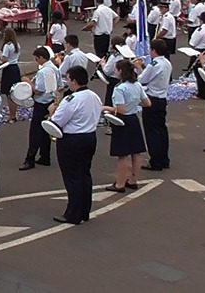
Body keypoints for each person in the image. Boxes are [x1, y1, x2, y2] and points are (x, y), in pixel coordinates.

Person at [49, 66, 100, 225]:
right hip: (90, 137)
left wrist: (52, 111)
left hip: (72, 140)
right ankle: (84, 210)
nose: (67, 83)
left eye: (69, 79)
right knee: (84, 174)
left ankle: (73, 213)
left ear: (75, 81)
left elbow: (57, 122)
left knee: (72, 177)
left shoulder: (71, 99)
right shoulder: (94, 96)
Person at [103, 60, 150, 192]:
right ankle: (133, 180)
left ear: (121, 71)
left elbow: (121, 109)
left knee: (122, 154)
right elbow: (147, 103)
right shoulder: (137, 85)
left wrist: (107, 108)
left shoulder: (120, 88)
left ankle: (120, 183)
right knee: (136, 151)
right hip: (134, 119)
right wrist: (134, 104)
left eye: (116, 70)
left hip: (122, 121)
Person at [20, 47, 61, 171]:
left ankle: (29, 160)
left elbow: (39, 91)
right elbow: (59, 85)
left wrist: (28, 82)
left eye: (37, 59)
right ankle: (45, 156)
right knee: (45, 131)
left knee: (35, 133)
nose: (36, 61)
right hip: (50, 102)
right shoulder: (54, 68)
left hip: (41, 103)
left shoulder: (43, 72)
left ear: (42, 57)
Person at [136, 40, 173, 171]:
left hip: (152, 98)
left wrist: (139, 67)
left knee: (152, 132)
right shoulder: (167, 63)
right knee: (161, 129)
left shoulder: (154, 64)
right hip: (162, 99)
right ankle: (164, 158)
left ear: (154, 51)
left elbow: (142, 80)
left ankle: (155, 161)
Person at [189, 12, 205, 99]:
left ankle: (202, 93)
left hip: (200, 51)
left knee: (199, 73)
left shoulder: (200, 29)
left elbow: (192, 43)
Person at [0, 27, 22, 122]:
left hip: (8, 69)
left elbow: (4, 59)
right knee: (15, 93)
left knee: (9, 94)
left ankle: (11, 115)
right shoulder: (17, 45)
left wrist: (0, 54)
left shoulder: (7, 46)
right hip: (15, 68)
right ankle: (15, 113)